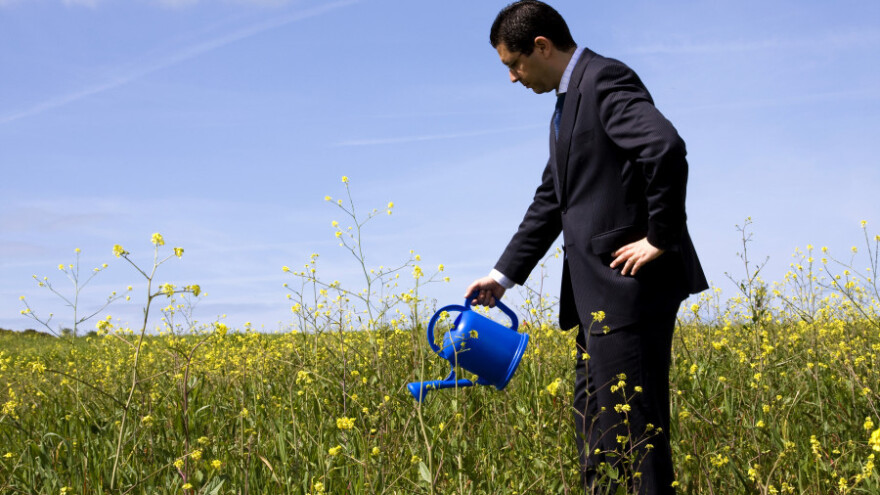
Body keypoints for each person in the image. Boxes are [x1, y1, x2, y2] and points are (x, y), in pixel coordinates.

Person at [464, 2, 709, 493]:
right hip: (599, 304)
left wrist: (660, 238)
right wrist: (501, 276)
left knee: (635, 436)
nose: (512, 78)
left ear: (542, 46)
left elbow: (664, 147)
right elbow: (553, 200)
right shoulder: (566, 103)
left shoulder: (603, 80)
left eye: (514, 64)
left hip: (629, 293)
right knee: (597, 434)